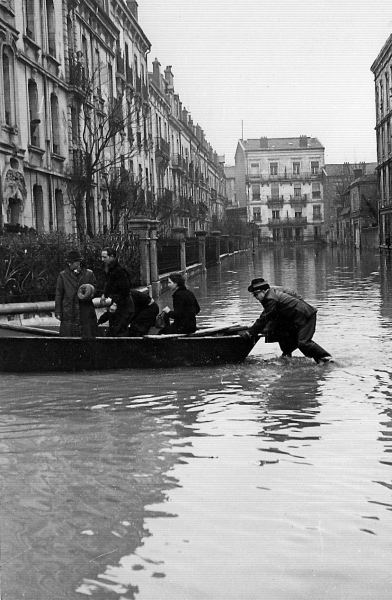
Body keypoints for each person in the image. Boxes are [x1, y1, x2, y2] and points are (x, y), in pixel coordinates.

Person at [247, 277, 333, 363]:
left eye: (256, 294)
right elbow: (293, 295)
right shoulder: (273, 292)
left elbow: (265, 317)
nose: (255, 297)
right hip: (294, 317)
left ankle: (325, 358)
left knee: (303, 342)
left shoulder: (270, 298)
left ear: (263, 291)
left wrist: (251, 332)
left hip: (306, 316)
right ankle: (287, 355)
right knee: (281, 332)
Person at [55, 249, 98, 338]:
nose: (69, 264)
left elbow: (95, 290)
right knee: (68, 340)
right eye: (68, 262)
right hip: (69, 311)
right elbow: (59, 294)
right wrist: (58, 311)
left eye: (71, 262)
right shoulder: (63, 275)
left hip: (85, 310)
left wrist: (89, 292)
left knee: (87, 337)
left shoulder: (89, 274)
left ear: (78, 262)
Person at [100, 247, 134, 336]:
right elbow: (110, 284)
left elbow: (125, 290)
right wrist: (104, 294)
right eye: (102, 257)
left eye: (104, 257)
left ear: (112, 257)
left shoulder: (119, 270)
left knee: (119, 331)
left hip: (124, 305)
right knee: (114, 329)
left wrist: (115, 304)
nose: (102, 260)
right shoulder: (110, 269)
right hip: (117, 303)